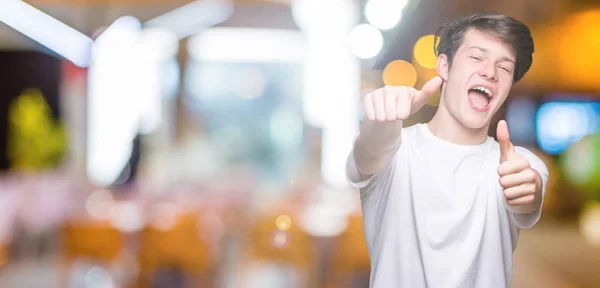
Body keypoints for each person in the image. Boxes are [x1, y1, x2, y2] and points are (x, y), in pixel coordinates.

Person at [346, 12, 548, 287]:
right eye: (476, 57)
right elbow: (369, 155)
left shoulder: (520, 164)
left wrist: (527, 191)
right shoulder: (396, 152)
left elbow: (528, 197)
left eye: (504, 67)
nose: (490, 72)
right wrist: (380, 120)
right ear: (444, 66)